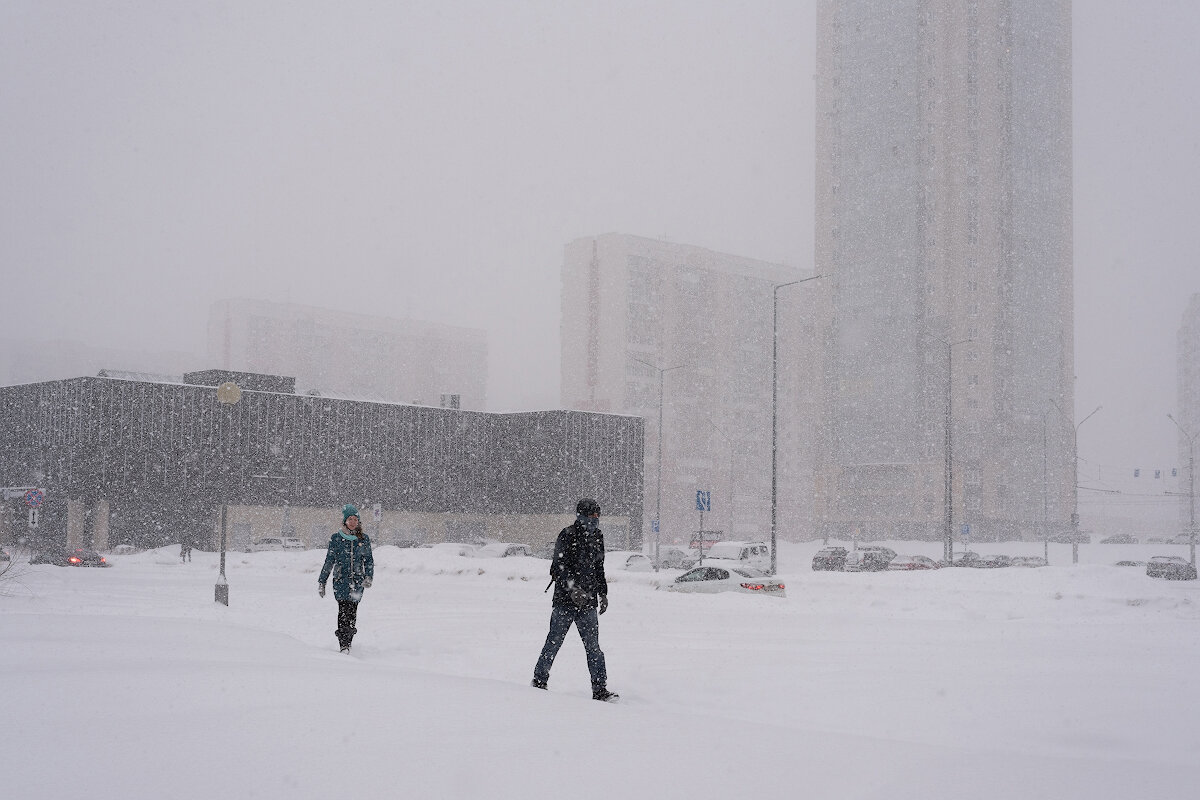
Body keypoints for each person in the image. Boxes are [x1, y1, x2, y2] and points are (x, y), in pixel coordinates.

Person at [531, 498, 618, 701]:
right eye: (591, 515)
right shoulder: (567, 535)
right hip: (564, 602)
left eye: (597, 516)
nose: (595, 519)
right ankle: (539, 681)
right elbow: (558, 567)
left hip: (588, 603)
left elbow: (599, 568)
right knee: (553, 643)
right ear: (580, 515)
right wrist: (571, 590)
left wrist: (603, 593)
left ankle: (600, 689)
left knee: (593, 648)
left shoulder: (598, 536)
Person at [318, 504, 375, 653]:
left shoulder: (363, 539)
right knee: (343, 611)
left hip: (357, 583)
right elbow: (329, 561)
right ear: (345, 521)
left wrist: (368, 576)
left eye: (355, 519)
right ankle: (343, 644)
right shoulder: (336, 538)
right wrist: (322, 581)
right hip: (341, 582)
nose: (353, 521)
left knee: (352, 612)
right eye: (350, 519)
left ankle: (348, 642)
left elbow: (368, 560)